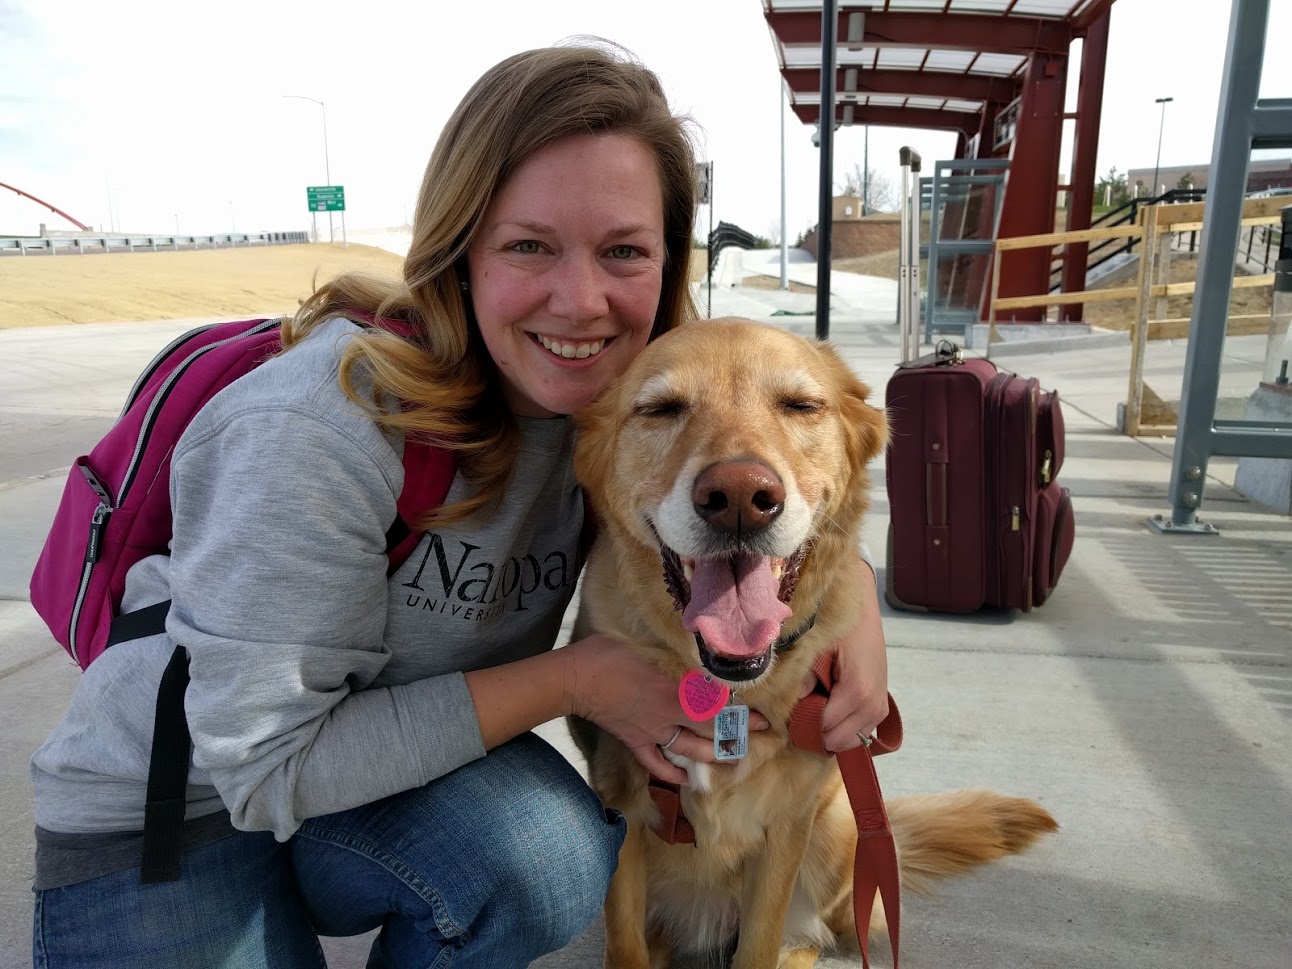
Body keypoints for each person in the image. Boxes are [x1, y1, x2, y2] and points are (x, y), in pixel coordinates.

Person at [29, 41, 890, 968]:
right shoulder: (317, 426)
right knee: (539, 842)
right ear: (459, 251)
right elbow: (267, 766)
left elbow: (766, 479)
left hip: (393, 781)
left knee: (542, 853)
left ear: (667, 263)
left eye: (624, 251)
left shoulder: (631, 407)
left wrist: (854, 607)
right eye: (528, 245)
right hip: (186, 806)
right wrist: (578, 678)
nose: (581, 299)